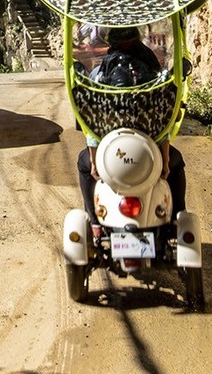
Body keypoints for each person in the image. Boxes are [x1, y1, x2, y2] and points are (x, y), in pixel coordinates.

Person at [77, 27, 186, 232]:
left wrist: (93, 162)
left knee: (83, 166)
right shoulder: (154, 75)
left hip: (109, 155)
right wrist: (165, 159)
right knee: (176, 162)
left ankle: (94, 222)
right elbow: (163, 122)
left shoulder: (99, 75)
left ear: (113, 44)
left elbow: (92, 121)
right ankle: (176, 220)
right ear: (138, 43)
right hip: (150, 155)